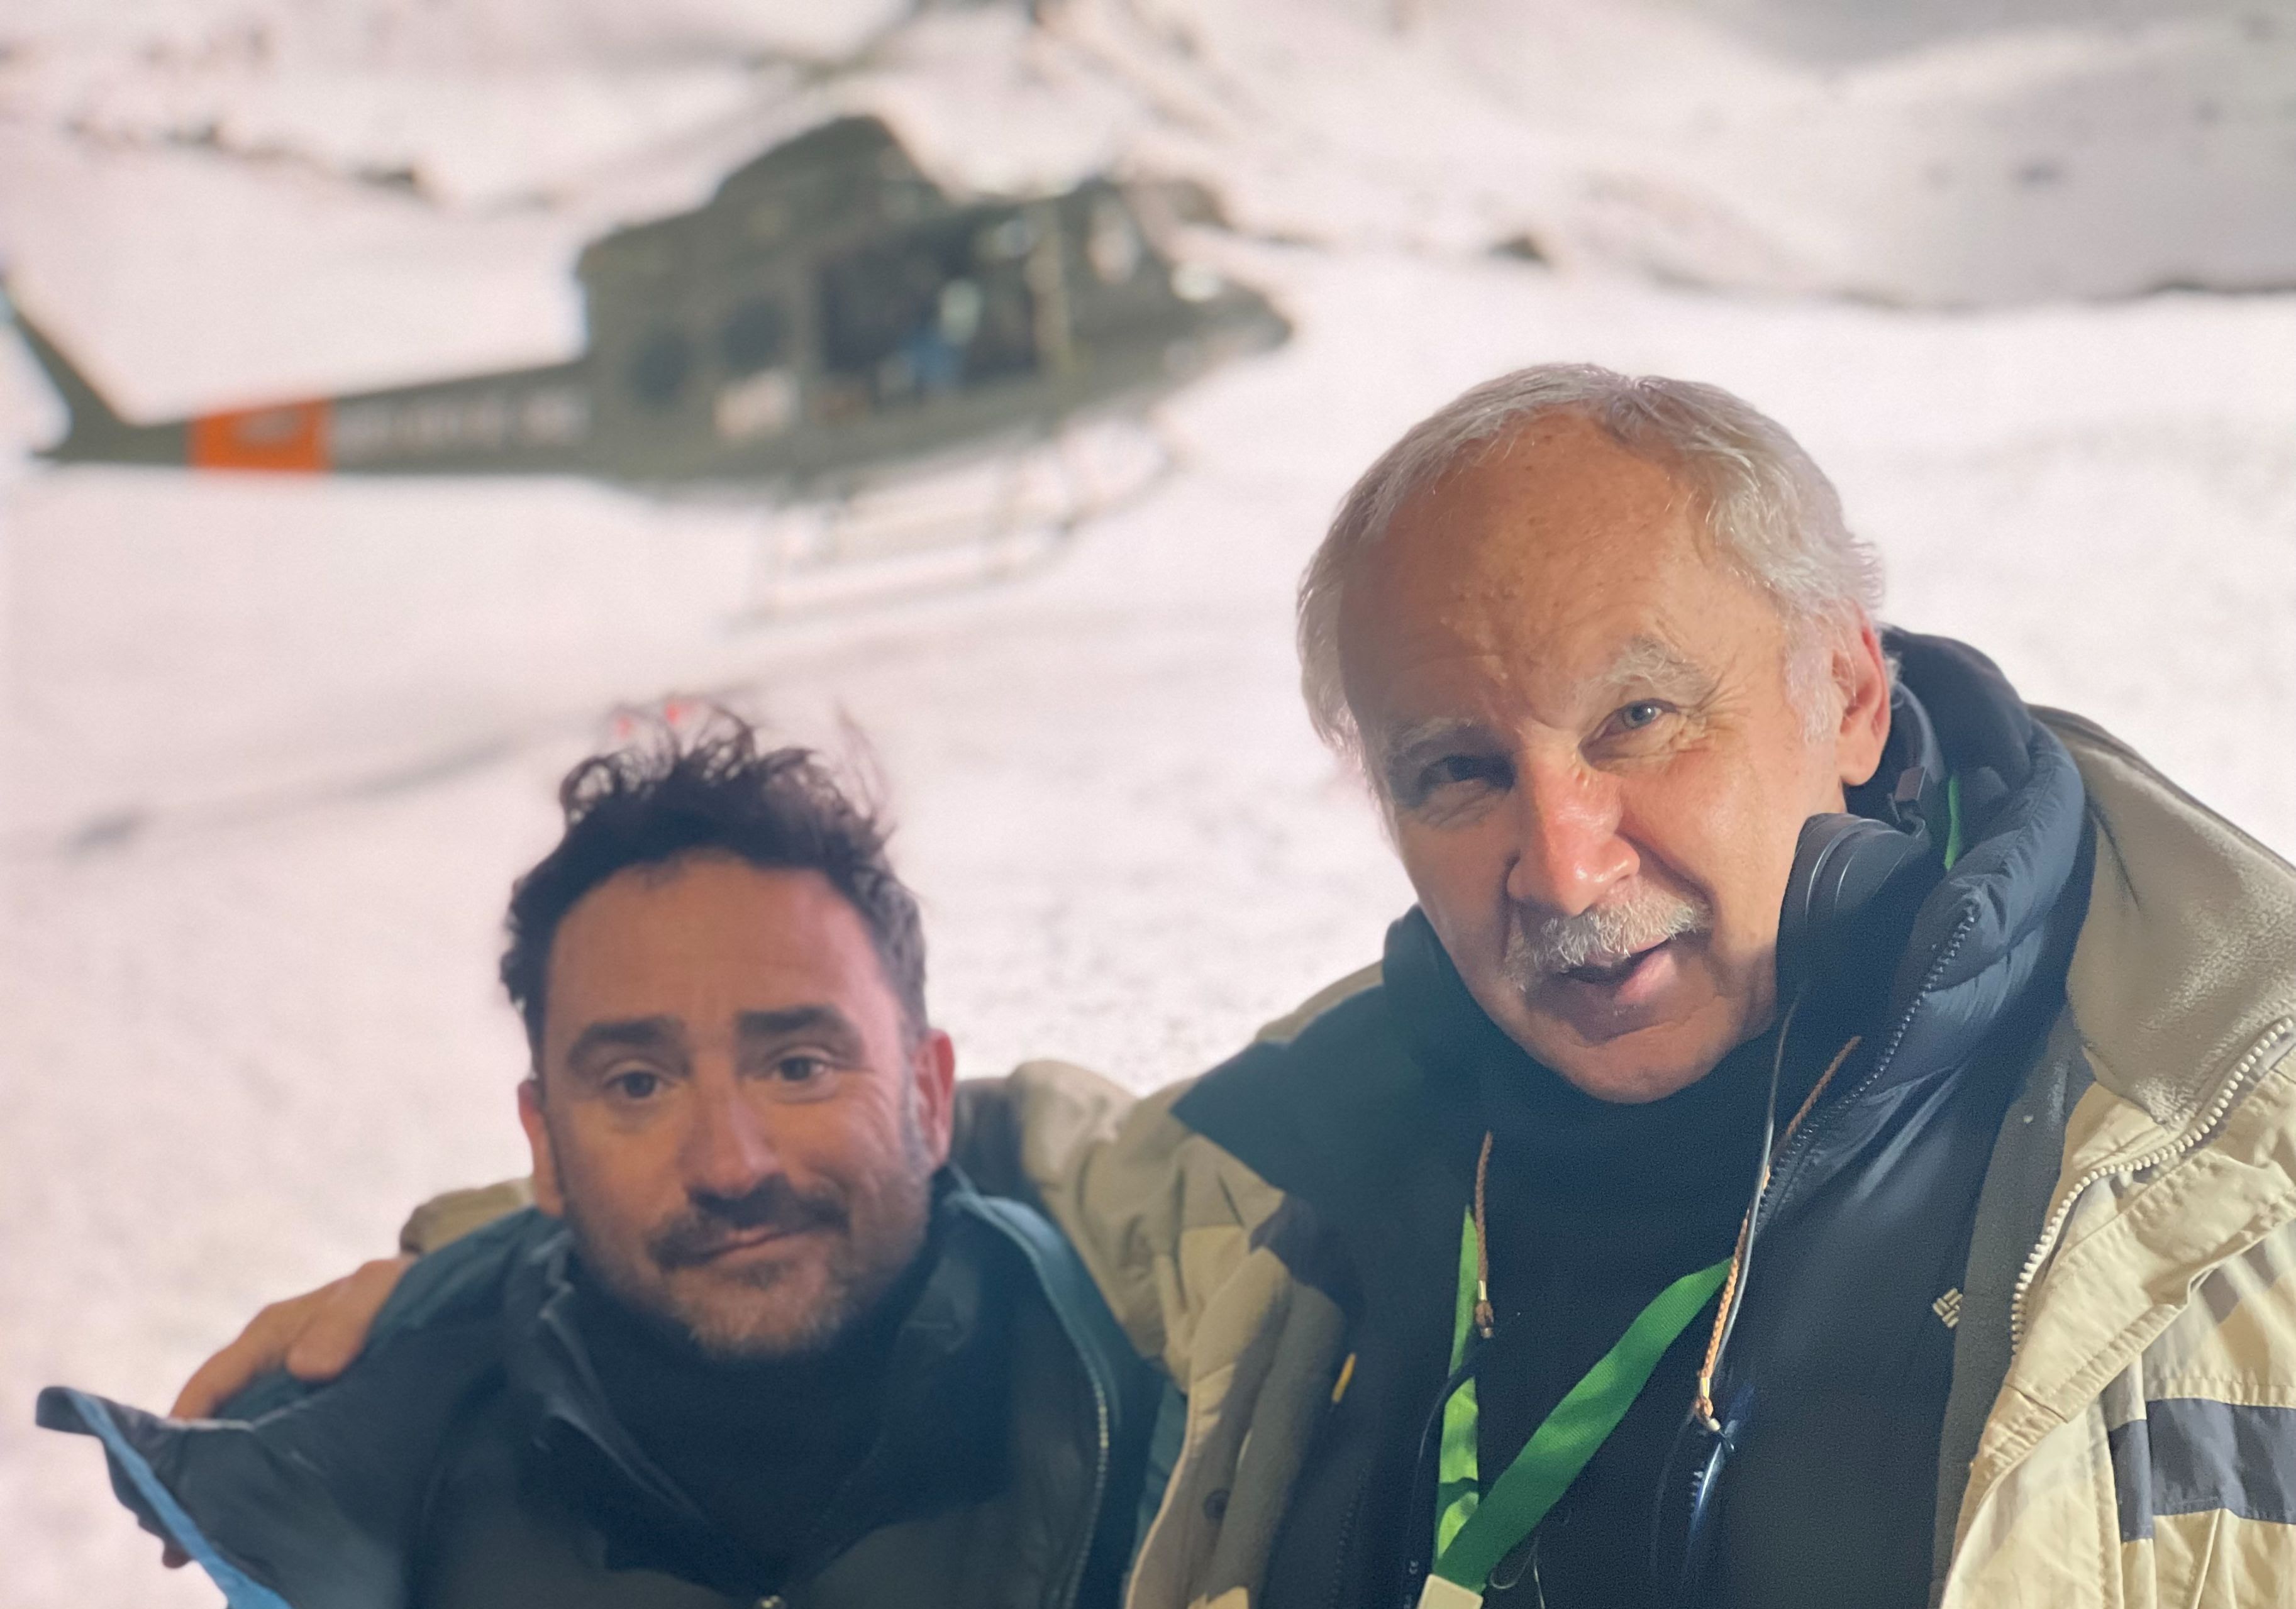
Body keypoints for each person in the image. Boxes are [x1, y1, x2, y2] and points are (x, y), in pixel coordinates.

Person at [169, 365, 2296, 1609]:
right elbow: (939, 1166)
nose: (1558, 863)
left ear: (1843, 687)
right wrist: (471, 1267)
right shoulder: (1313, 1162)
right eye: (1459, 768)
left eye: (1641, 719)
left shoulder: (2232, 1170)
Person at [40, 721, 1158, 1609]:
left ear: (926, 1091)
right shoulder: (402, 1509)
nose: (731, 1162)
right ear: (545, 1150)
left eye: (800, 1064)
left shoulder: (1188, 1396)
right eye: (638, 1084)